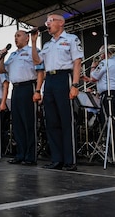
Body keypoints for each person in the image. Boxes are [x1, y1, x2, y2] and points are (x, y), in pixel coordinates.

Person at [31, 13, 83, 171]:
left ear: (61, 23)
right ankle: (56, 159)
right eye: (46, 21)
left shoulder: (71, 39)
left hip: (64, 78)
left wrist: (75, 84)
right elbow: (36, 61)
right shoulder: (47, 45)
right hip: (50, 80)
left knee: (66, 120)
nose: (47, 24)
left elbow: (77, 62)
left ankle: (70, 160)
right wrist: (33, 42)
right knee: (51, 121)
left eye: (50, 21)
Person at [0, 32, 44, 165]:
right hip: (16, 89)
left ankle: (30, 156)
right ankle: (20, 154)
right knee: (17, 124)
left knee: (28, 123)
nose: (15, 38)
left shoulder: (32, 51)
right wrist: (2, 57)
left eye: (18, 35)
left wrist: (37, 90)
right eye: (14, 36)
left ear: (27, 38)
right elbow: (1, 70)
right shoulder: (12, 55)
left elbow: (40, 71)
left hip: (28, 86)